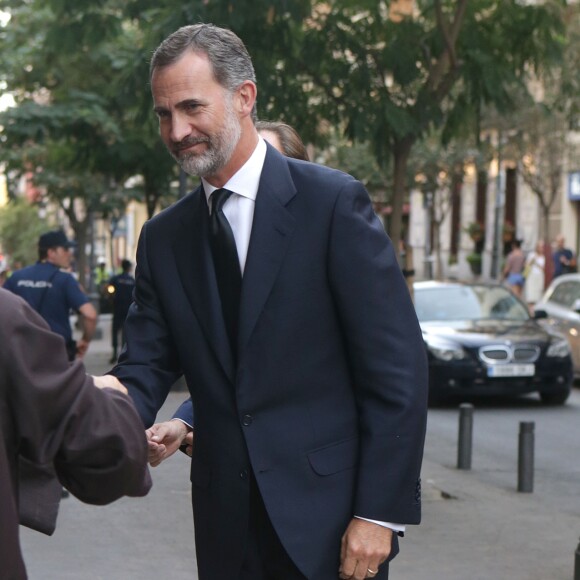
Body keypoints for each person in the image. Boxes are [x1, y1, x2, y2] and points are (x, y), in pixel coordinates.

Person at [110, 23, 428, 580]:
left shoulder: (331, 204)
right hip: (224, 526)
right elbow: (143, 367)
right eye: (164, 114)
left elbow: (396, 369)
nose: (177, 130)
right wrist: (81, 413)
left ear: (244, 96)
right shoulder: (164, 237)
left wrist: (379, 512)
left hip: (332, 525)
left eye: (190, 107)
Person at [0, 288, 151, 579]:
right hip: (49, 369)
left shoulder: (16, 290)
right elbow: (111, 453)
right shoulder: (6, 318)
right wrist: (108, 395)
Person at [3, 229, 97, 360]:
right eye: (65, 249)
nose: (69, 254)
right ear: (51, 252)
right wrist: (85, 340)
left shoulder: (16, 277)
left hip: (21, 354)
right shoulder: (65, 279)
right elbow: (90, 315)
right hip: (56, 355)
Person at [107, 258, 136, 363]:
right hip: (128, 309)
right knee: (125, 332)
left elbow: (109, 289)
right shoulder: (132, 280)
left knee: (115, 331)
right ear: (128, 268)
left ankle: (114, 353)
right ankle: (123, 355)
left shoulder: (116, 278)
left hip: (117, 308)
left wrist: (111, 298)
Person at [524, 240, 546, 314]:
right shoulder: (532, 254)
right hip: (531, 276)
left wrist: (536, 262)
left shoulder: (543, 257)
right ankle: (531, 312)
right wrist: (532, 260)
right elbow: (526, 265)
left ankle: (534, 312)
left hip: (539, 277)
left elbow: (542, 268)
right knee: (530, 295)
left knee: (537, 296)